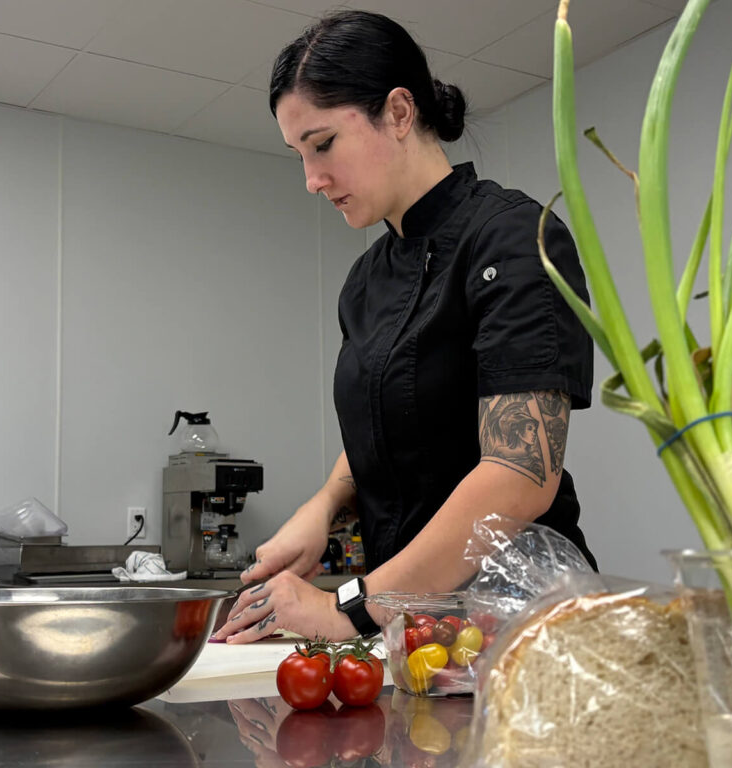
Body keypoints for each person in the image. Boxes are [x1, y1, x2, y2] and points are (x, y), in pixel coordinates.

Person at [212, 9, 595, 645]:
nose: (311, 181)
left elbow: (521, 473)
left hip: (522, 623)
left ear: (397, 112)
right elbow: (391, 426)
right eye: (299, 155)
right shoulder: (364, 282)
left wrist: (351, 609)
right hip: (413, 632)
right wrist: (324, 506)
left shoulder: (513, 238)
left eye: (322, 144)